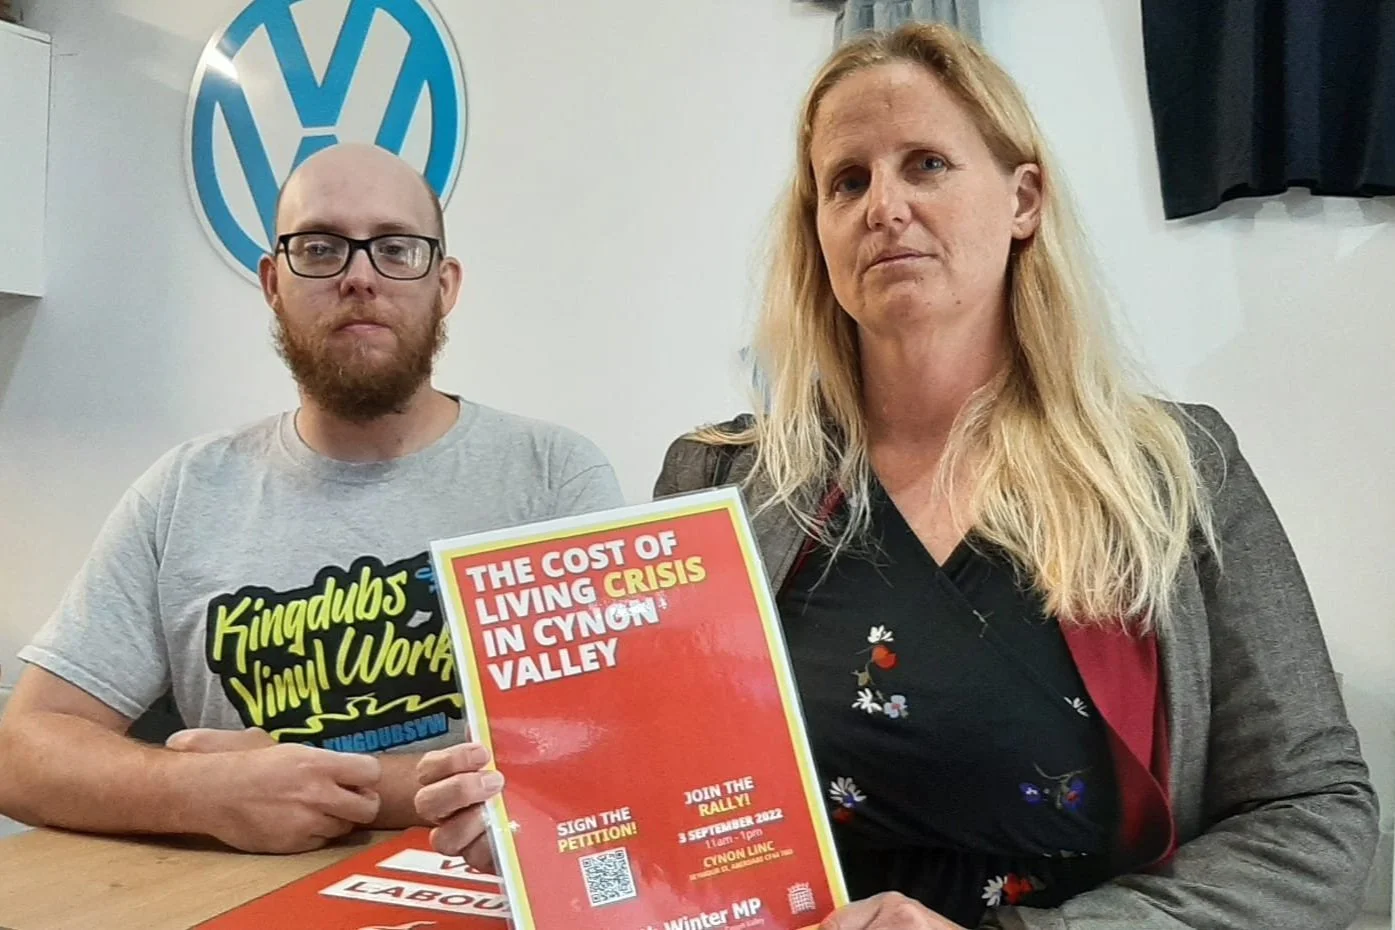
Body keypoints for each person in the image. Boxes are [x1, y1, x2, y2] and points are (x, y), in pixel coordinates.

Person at [413, 23, 1379, 930]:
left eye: (926, 164)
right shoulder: (720, 481)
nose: (884, 206)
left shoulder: (1176, 473)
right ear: (818, 232)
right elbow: (665, 816)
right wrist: (546, 831)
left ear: (1022, 201)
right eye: (844, 181)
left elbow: (1316, 819)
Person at [0, 143, 624, 855]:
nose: (359, 277)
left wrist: (344, 787)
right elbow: (23, 753)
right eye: (321, 248)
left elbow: (614, 747)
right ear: (273, 282)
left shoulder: (553, 479)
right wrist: (194, 791)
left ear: (444, 285)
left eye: (395, 248)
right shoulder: (184, 492)